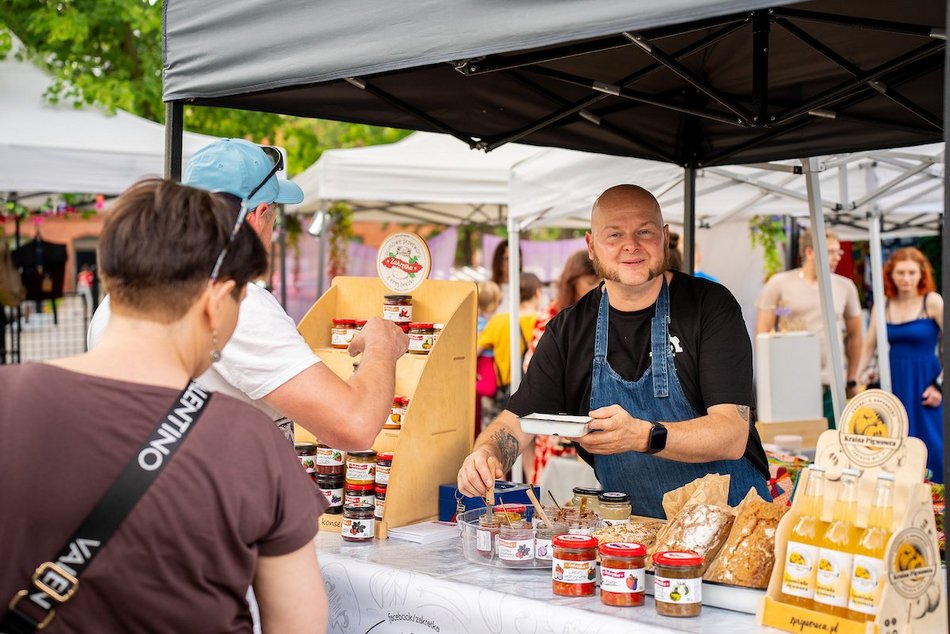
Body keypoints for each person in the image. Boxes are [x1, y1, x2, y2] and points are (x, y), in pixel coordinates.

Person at [0, 179, 327, 632]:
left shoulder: (7, 397)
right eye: (241, 297)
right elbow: (298, 624)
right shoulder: (254, 442)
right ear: (215, 302)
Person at [458, 185, 770, 519]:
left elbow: (731, 434)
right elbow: (517, 422)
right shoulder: (569, 330)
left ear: (664, 237)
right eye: (614, 234)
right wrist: (487, 453)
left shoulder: (709, 306)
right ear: (591, 246)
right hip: (633, 536)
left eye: (644, 231)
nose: (630, 245)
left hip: (733, 528)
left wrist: (644, 436)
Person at [88, 139, 407, 448]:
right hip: (223, 497)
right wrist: (381, 345)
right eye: (274, 218)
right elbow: (354, 425)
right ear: (258, 215)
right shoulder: (239, 302)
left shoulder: (122, 296)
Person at [755, 227, 863, 429]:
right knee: (795, 448)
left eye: (838, 252)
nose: (837, 257)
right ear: (809, 252)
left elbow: (856, 336)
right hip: (791, 381)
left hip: (832, 382)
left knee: (832, 444)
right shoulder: (779, 283)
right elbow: (762, 334)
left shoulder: (845, 286)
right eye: (830, 251)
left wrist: (852, 377)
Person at [857, 247, 943, 483]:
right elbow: (868, 346)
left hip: (927, 382)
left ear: (922, 274)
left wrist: (939, 386)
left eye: (912, 272)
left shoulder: (933, 302)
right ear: (890, 274)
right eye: (901, 272)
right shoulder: (882, 305)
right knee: (896, 441)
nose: (906, 278)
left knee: (933, 443)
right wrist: (856, 379)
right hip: (893, 383)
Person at [522, 250, 600, 484]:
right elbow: (536, 370)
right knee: (558, 499)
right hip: (558, 424)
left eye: (600, 281)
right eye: (590, 281)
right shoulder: (554, 316)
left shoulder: (603, 313)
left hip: (593, 425)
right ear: (571, 283)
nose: (597, 286)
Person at [476, 273, 543, 429]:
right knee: (528, 439)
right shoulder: (544, 321)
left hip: (500, 393)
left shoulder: (499, 321)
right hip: (533, 391)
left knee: (493, 438)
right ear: (538, 293)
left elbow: (475, 351)